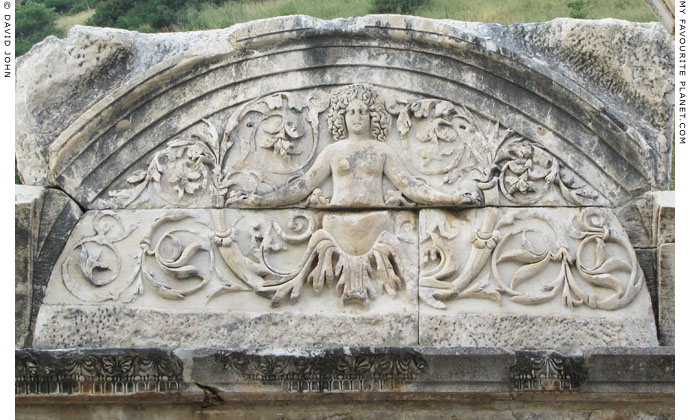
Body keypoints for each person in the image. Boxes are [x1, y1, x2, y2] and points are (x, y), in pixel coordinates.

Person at [230, 84, 481, 207]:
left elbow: (409, 185)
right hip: (335, 222)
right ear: (341, 117)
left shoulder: (382, 151)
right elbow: (303, 185)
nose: (357, 116)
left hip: (377, 221)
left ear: (374, 116)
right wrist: (260, 200)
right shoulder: (331, 152)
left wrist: (451, 198)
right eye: (351, 111)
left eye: (363, 111)